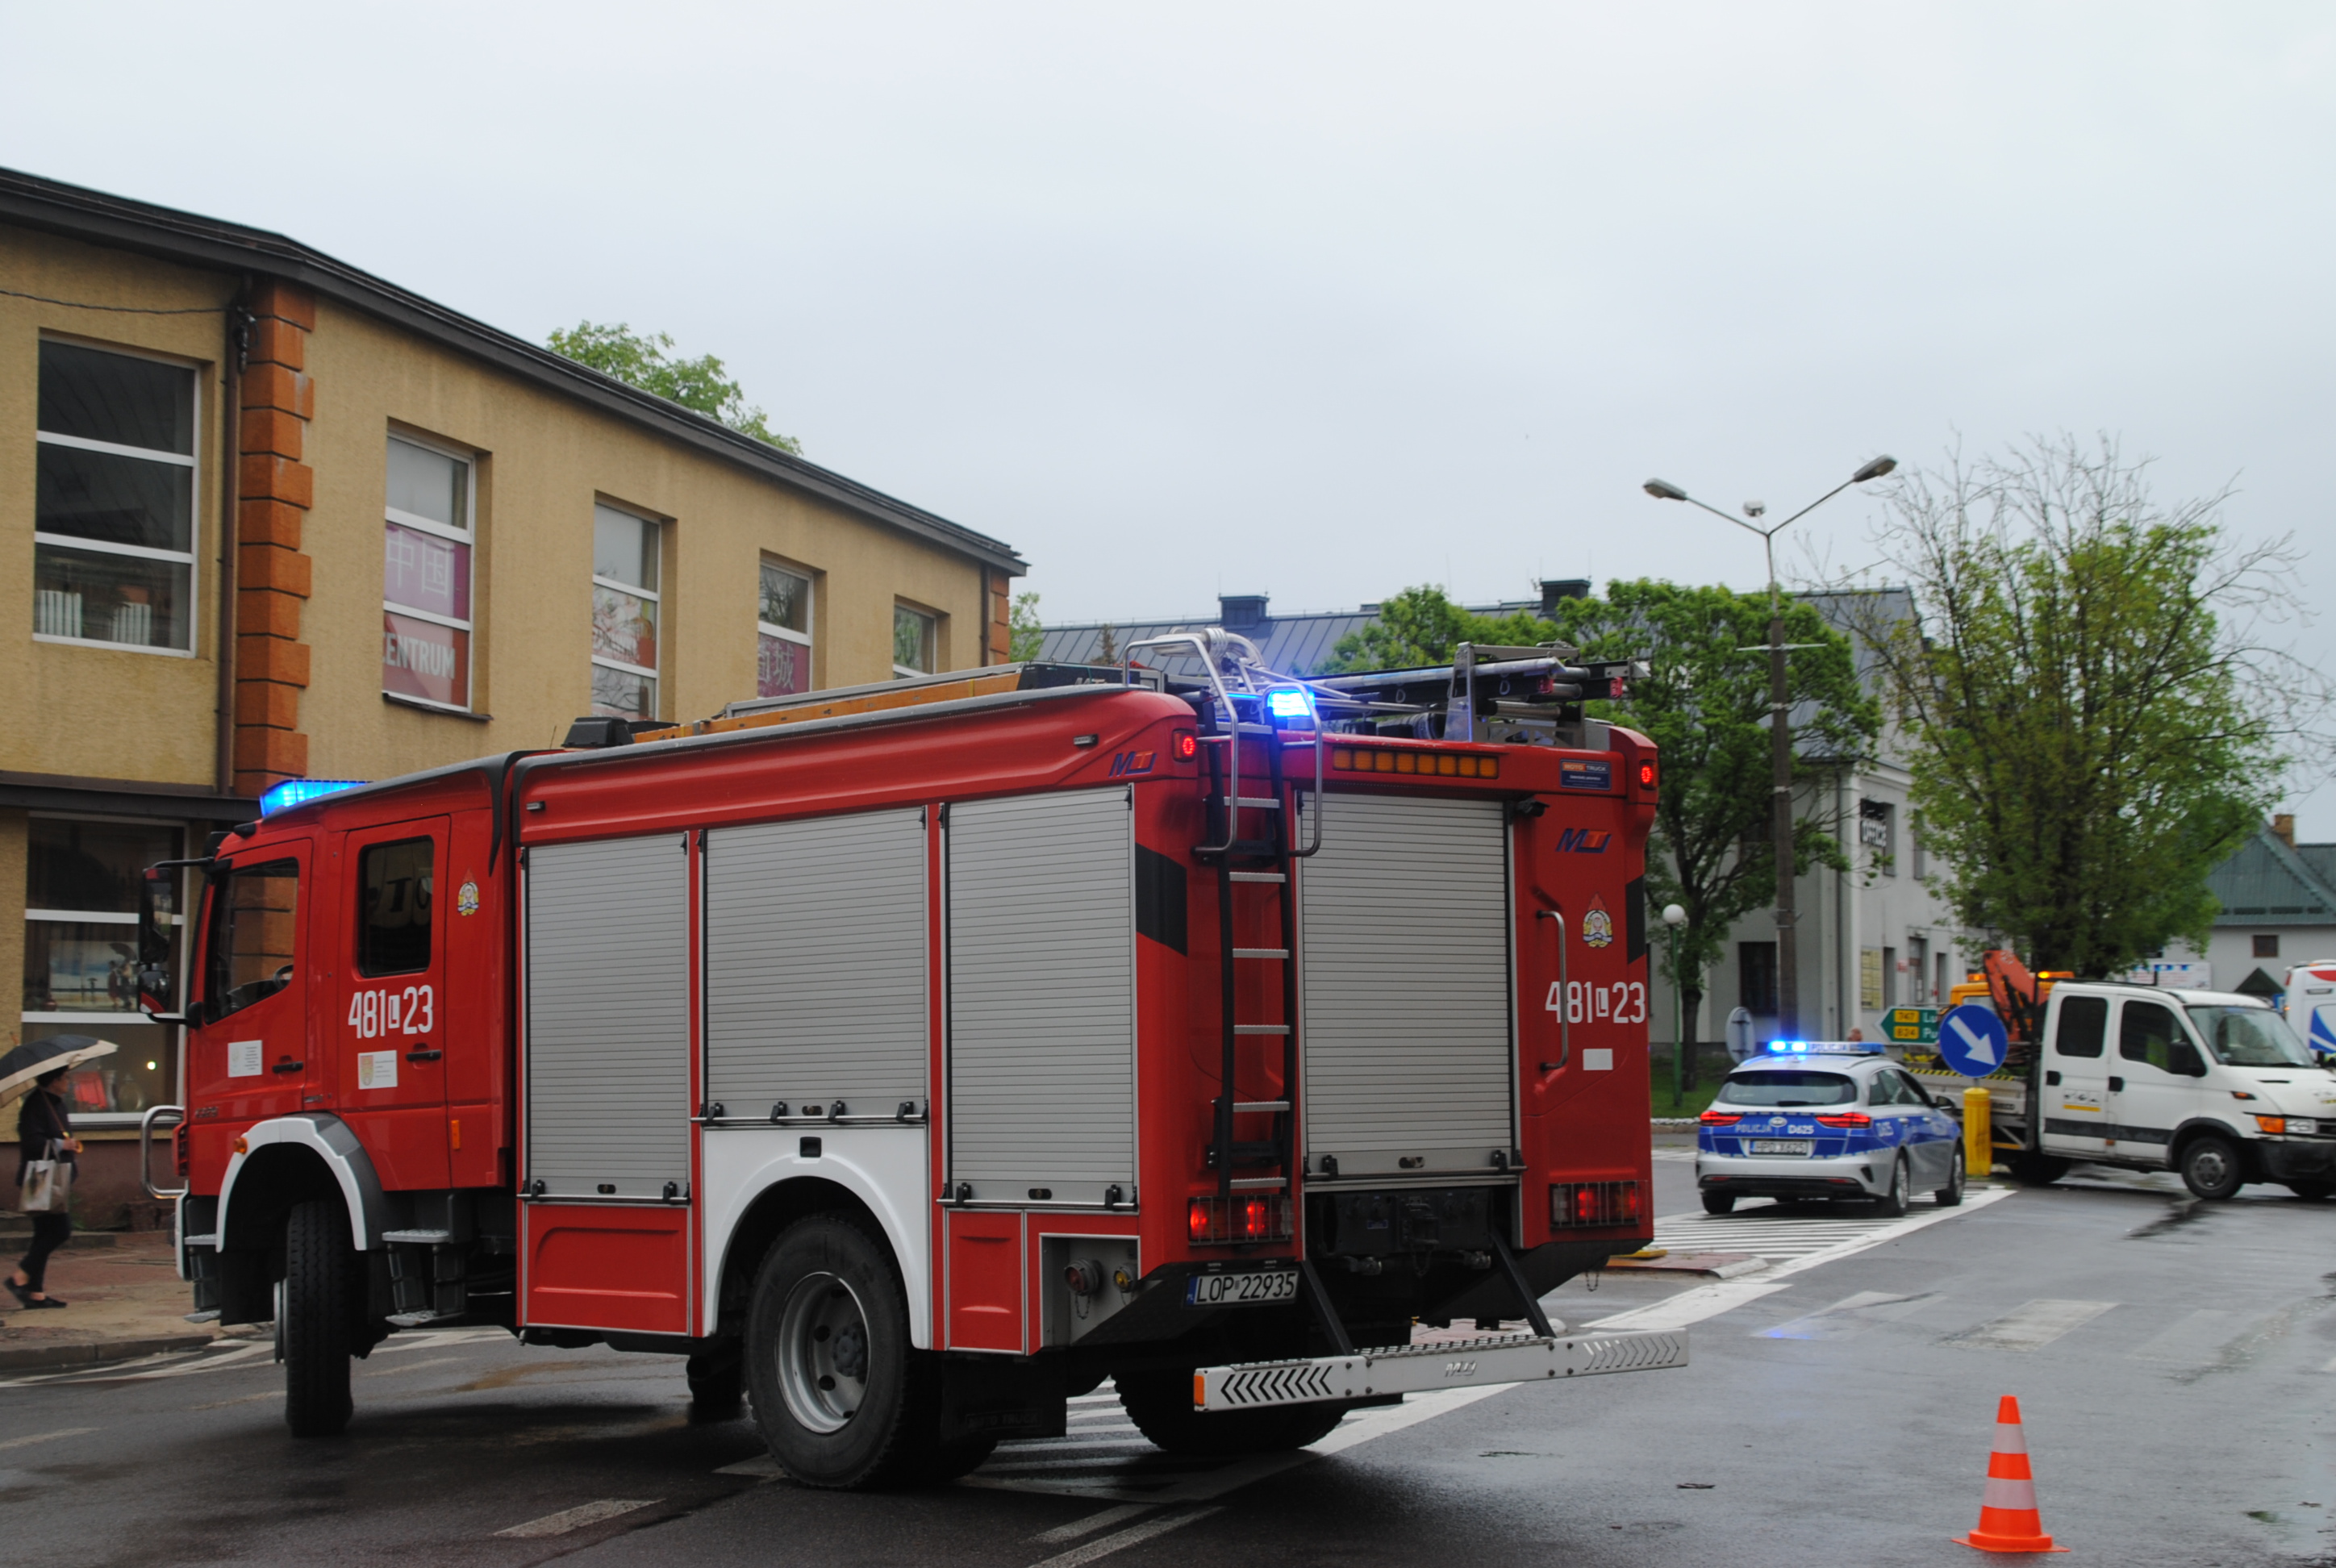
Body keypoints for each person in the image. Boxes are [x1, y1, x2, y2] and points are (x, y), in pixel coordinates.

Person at [10, 1068, 81, 1309]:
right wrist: (63, 1144)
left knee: (43, 1233)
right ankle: (20, 1277)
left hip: (56, 1178)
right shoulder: (36, 1105)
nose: (69, 1083)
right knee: (60, 1230)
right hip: (42, 1180)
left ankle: (35, 1293)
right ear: (54, 1081)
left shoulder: (56, 1103)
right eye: (65, 1078)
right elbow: (31, 1141)